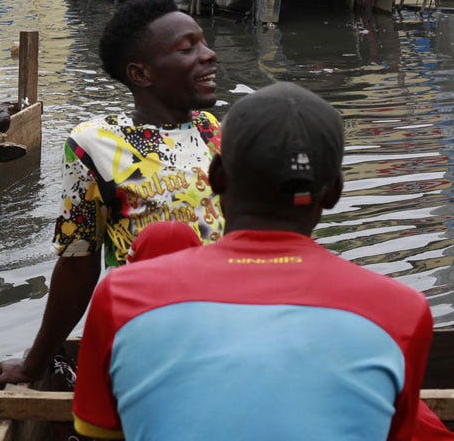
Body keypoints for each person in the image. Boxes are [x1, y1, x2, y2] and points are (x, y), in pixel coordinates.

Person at [71, 82, 434, 441]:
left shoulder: (120, 297)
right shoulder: (402, 311)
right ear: (335, 192)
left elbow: (101, 431)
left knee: (165, 238)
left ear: (215, 177)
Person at [0, 0, 222, 389]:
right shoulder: (94, 144)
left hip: (222, 328)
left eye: (203, 42)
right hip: (147, 331)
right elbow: (79, 262)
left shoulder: (211, 130)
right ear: (141, 74)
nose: (209, 55)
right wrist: (34, 365)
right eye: (189, 48)